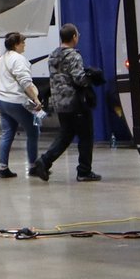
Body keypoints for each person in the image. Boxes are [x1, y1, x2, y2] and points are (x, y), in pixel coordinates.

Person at [28, 24, 99, 182]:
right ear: (74, 37)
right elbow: (79, 79)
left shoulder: (53, 55)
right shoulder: (73, 56)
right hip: (75, 102)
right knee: (86, 136)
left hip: (59, 102)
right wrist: (92, 76)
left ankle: (44, 161)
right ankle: (84, 171)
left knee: (66, 135)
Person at [0, 30, 40, 179]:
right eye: (23, 42)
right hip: (17, 101)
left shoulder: (1, 59)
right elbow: (25, 82)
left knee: (7, 134)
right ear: (16, 45)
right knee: (33, 131)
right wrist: (36, 99)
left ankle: (3, 168)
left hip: (2, 100)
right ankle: (33, 166)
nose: (24, 45)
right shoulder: (19, 59)